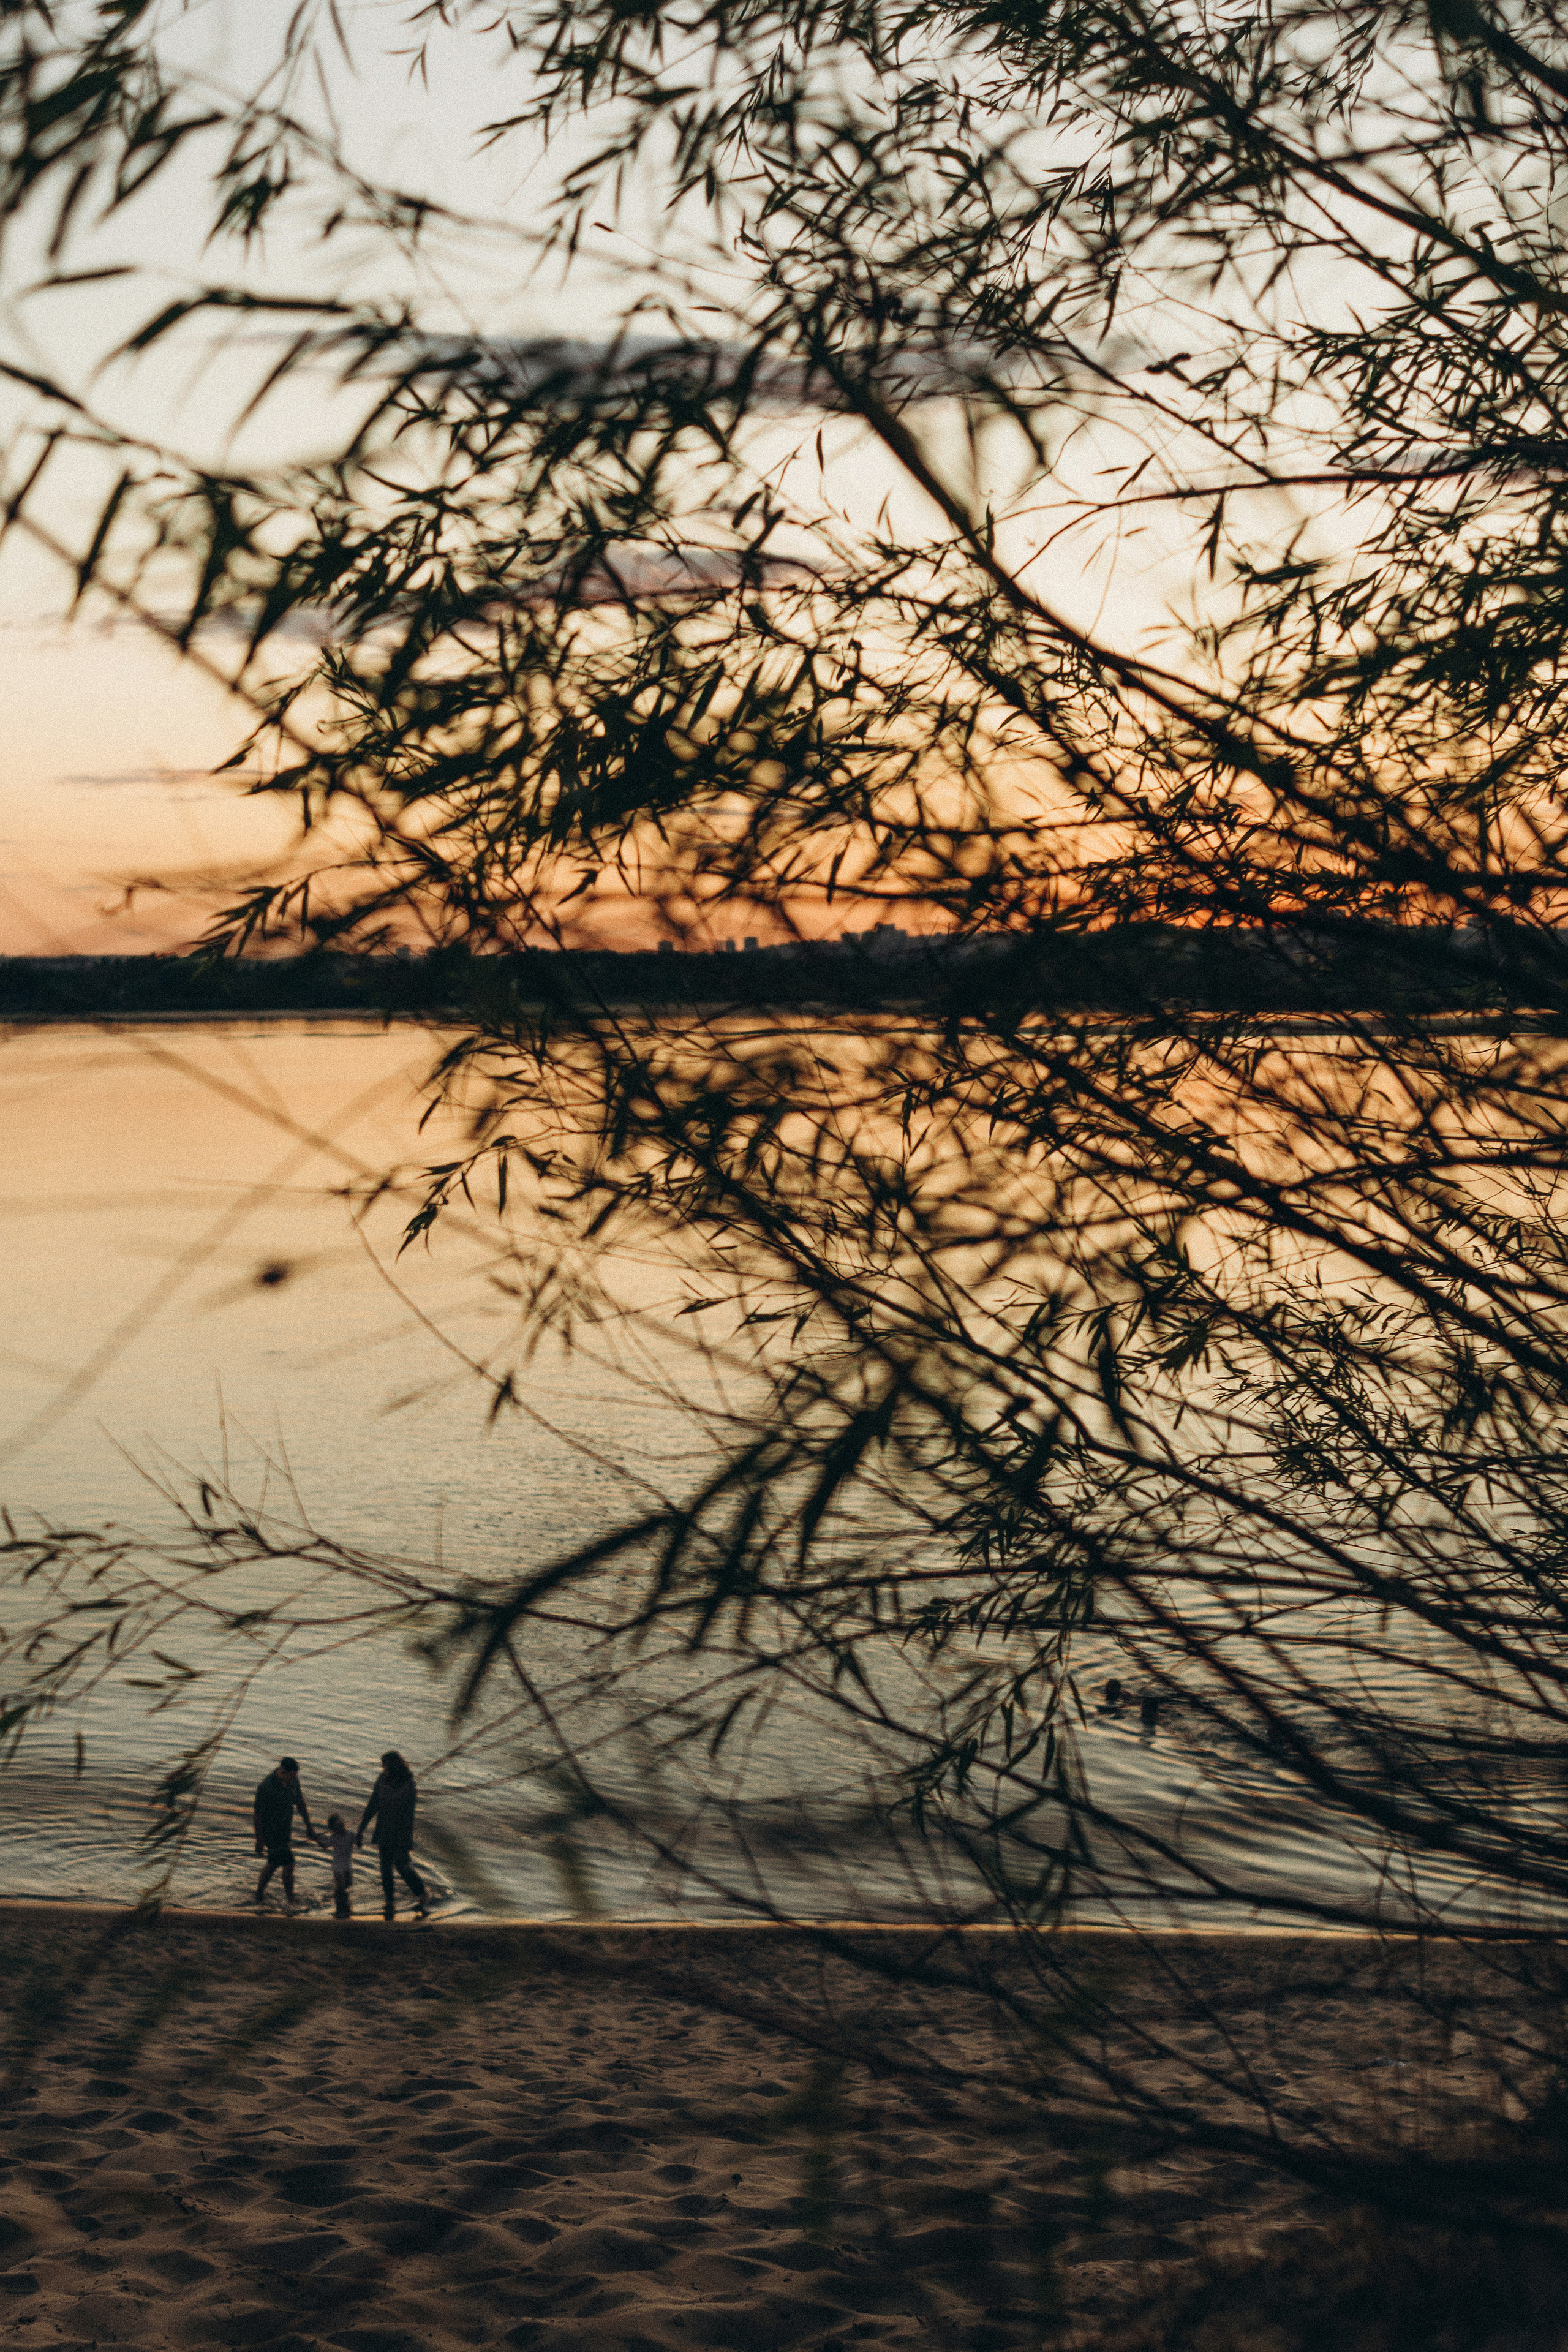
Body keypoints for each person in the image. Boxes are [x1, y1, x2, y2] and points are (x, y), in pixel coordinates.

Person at [356, 1749, 428, 1920]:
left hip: (401, 1832)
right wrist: (361, 1829)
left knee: (403, 1866)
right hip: (384, 1830)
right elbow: (373, 1804)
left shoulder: (409, 1784)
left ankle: (423, 1894)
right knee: (385, 1868)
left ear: (393, 1766)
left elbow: (405, 1810)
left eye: (385, 1766)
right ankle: (390, 1901)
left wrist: (391, 1798)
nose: (383, 1769)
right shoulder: (382, 1780)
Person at [253, 1755, 314, 1905]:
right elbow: (258, 1815)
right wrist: (259, 1841)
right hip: (270, 1832)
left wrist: (309, 1826)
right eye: (292, 1776)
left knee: (273, 1863)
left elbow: (300, 1802)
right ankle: (290, 1900)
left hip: (285, 1830)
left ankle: (259, 1894)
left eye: (295, 1776)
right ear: (283, 1771)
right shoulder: (266, 1787)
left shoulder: (294, 1780)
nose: (294, 1779)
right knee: (289, 1863)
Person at [323, 1812, 356, 1918]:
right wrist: (315, 1837)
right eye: (337, 1826)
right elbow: (325, 1845)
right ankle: (340, 1909)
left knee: (348, 1884)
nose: (340, 1827)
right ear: (333, 1829)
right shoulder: (334, 1837)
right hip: (337, 1866)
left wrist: (360, 1836)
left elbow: (359, 1844)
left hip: (347, 1865)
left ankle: (341, 1902)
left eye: (341, 1824)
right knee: (341, 1886)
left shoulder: (350, 1835)